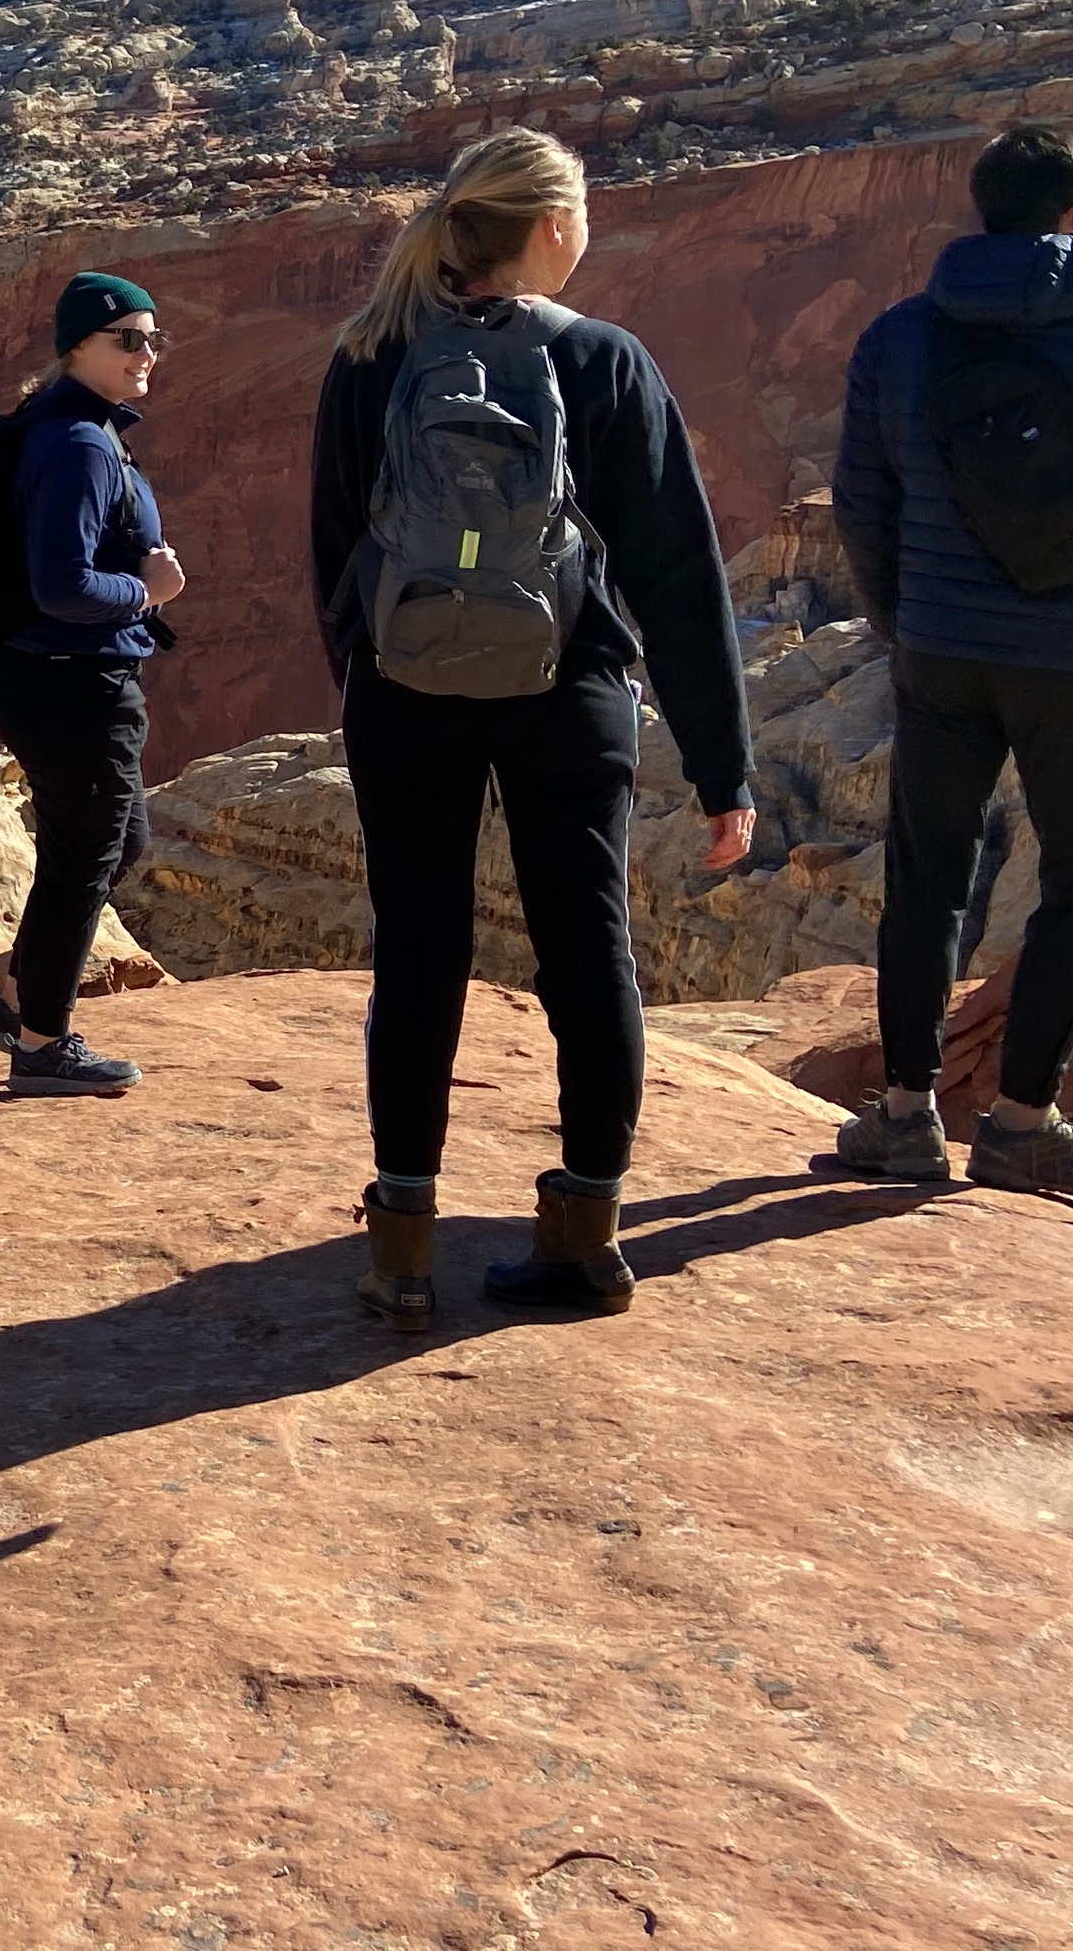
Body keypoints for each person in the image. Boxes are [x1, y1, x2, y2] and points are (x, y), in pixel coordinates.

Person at [310, 129, 755, 1327]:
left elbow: (334, 556)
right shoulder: (607, 362)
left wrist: (369, 682)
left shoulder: (370, 357)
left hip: (406, 699)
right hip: (572, 696)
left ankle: (401, 1244)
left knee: (418, 947)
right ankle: (586, 1235)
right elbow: (678, 576)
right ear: (551, 229)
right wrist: (725, 768)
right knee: (585, 947)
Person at [828, 123, 1073, 1207]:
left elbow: (864, 504)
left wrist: (904, 622)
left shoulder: (900, 338)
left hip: (944, 649)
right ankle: (1023, 1126)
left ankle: (904, 1118)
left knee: (926, 879)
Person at [0, 272, 184, 1097]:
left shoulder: (61, 425)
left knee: (115, 842)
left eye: (153, 337)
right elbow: (64, 585)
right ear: (78, 348)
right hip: (72, 678)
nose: (146, 353)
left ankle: (20, 998)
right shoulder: (82, 444)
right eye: (127, 338)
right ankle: (42, 1043)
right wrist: (147, 593)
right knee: (85, 852)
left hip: (45, 670)